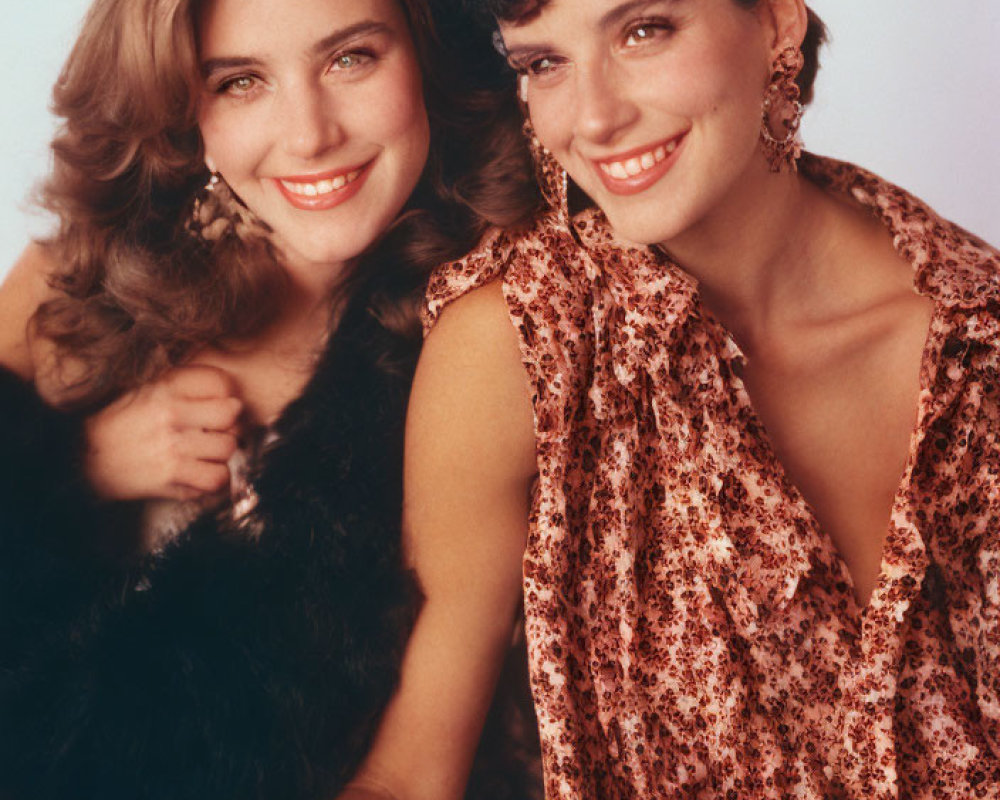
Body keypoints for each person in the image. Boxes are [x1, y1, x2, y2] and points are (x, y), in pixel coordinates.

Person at [407, 0, 1000, 796]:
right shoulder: (519, 348)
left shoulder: (977, 335)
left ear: (779, 22)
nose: (595, 116)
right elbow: (410, 775)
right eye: (543, 63)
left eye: (643, 31)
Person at [0, 0, 542, 797]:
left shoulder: (483, 337)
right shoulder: (69, 282)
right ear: (184, 107)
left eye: (351, 58)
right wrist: (78, 466)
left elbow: (416, 775)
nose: (309, 132)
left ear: (427, 53)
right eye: (241, 82)